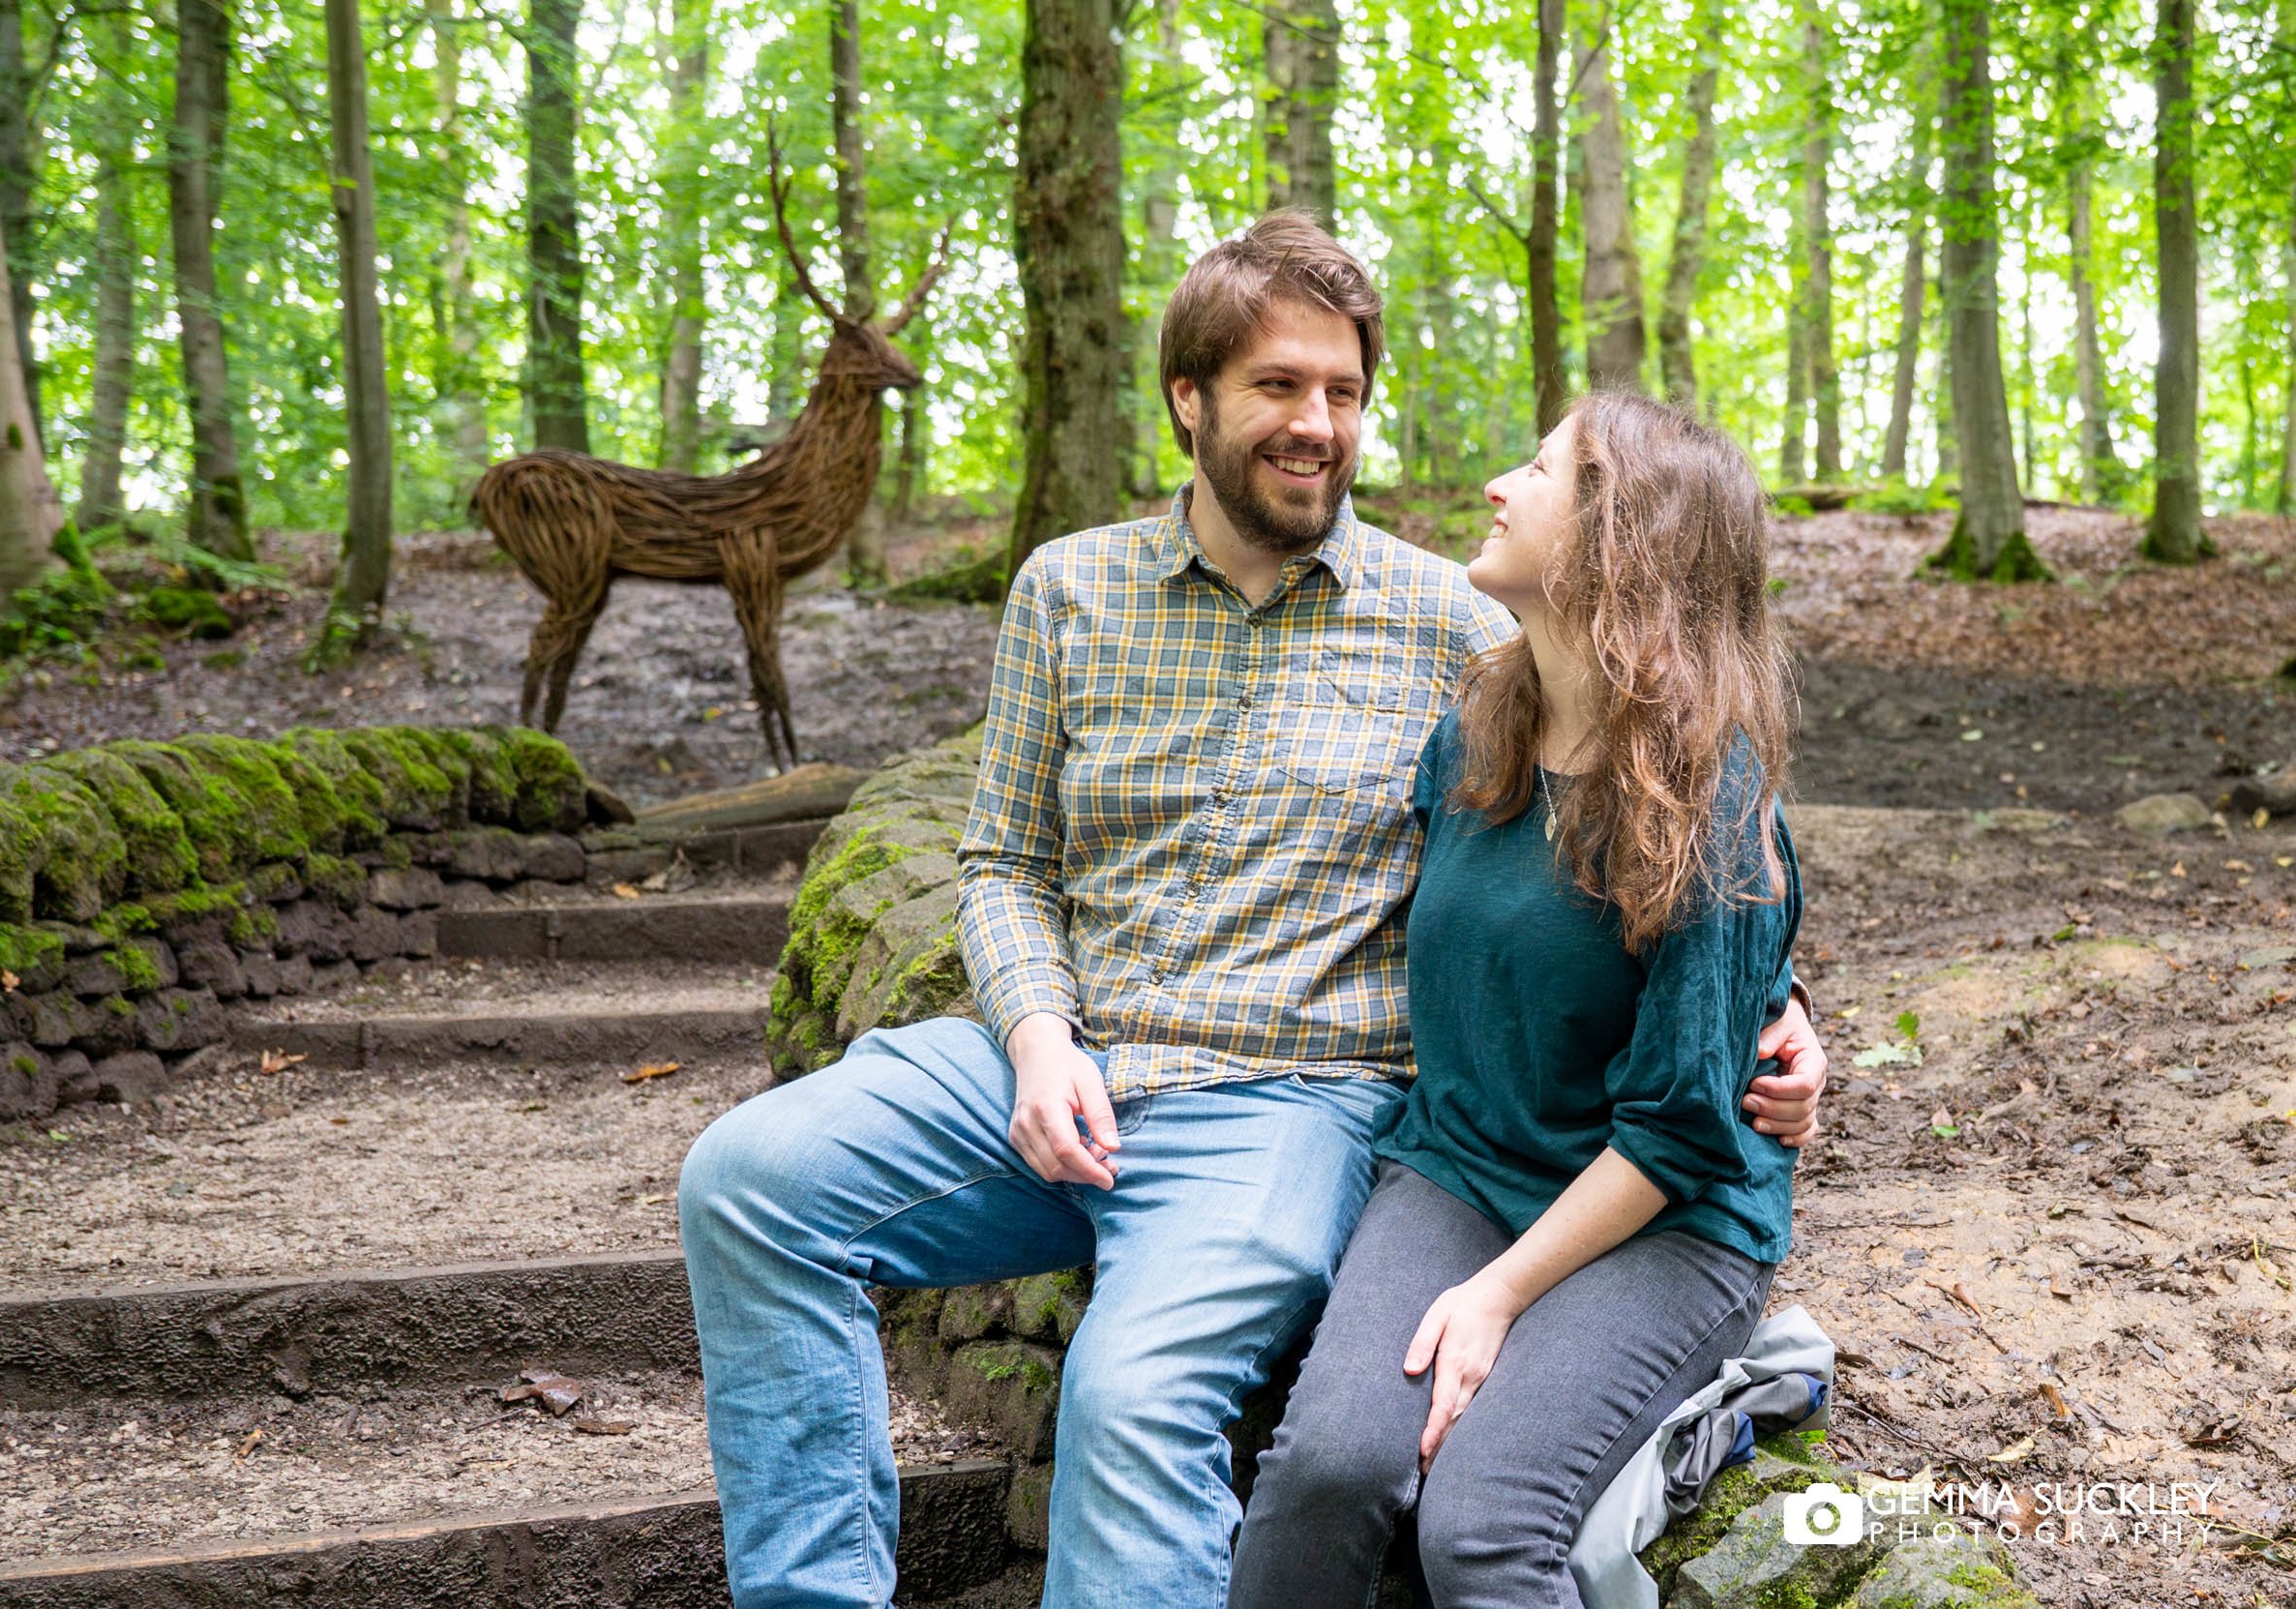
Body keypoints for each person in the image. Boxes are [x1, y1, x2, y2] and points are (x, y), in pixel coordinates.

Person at [674, 215, 1828, 1609]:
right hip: (1061, 1062)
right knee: (747, 1180)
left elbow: (1671, 814)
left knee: (1132, 1387)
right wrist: (1036, 1034)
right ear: (1190, 399)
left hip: (1288, 1097)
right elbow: (1001, 862)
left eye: (1342, 392)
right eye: (1280, 385)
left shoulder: (1461, 619)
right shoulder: (1066, 591)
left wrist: (1784, 1014)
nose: (1318, 423)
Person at [1227, 392, 1803, 1609]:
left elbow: (1675, 1124)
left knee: (1482, 1524)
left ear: (1623, 540)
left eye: (1542, 469)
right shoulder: (1478, 727)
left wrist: (1496, 1297)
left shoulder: (1716, 796)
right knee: (1329, 1466)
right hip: (1460, 1166)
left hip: (1663, 1213)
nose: (1497, 482)